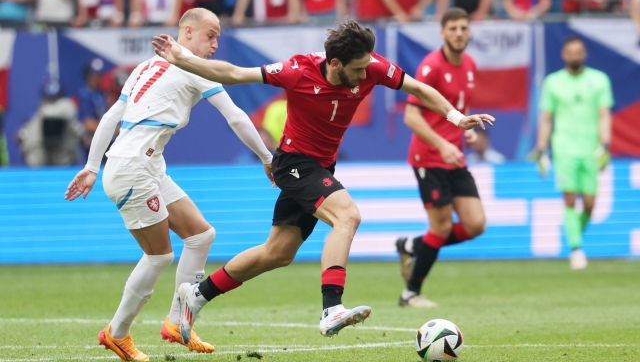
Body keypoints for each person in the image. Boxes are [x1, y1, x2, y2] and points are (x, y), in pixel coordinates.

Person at [152, 18, 494, 341]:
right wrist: (181, 57)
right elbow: (233, 72)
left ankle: (195, 295)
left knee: (277, 253)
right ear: (334, 63)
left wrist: (455, 116)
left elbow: (418, 88)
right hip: (293, 162)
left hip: (321, 167)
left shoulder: (371, 66)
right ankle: (331, 308)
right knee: (348, 215)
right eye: (357, 69)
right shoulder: (296, 71)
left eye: (367, 66)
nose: (365, 76)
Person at [64, 8, 273, 362]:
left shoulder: (144, 66)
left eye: (218, 36)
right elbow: (236, 116)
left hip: (146, 164)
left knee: (201, 235)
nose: (215, 44)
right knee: (159, 255)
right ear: (187, 32)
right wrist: (268, 158)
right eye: (210, 35)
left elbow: (112, 116)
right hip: (133, 167)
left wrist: (92, 166)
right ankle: (117, 333)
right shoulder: (191, 64)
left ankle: (177, 322)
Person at [394, 8, 486, 309]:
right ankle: (410, 294)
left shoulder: (470, 65)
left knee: (475, 224)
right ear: (443, 33)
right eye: (453, 29)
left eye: (464, 28)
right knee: (441, 227)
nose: (459, 33)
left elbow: (457, 109)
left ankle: (409, 246)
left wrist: (465, 133)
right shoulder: (431, 66)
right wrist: (441, 144)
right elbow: (411, 115)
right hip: (429, 157)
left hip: (454, 155)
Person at [531, 36, 613, 270]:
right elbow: (547, 118)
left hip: (591, 148)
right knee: (569, 199)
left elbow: (604, 114)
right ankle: (576, 248)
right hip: (564, 148)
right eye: (570, 52)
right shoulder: (553, 82)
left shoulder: (599, 80)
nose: (574, 56)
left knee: (589, 203)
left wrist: (606, 144)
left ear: (584, 54)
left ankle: (573, 230)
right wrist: (541, 147)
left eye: (578, 52)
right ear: (563, 55)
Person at [18, 79, 84, 166]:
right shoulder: (38, 114)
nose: (52, 103)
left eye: (55, 99)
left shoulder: (67, 107)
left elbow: (80, 132)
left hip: (63, 157)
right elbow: (22, 135)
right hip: (41, 158)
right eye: (49, 99)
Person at [78, 58, 108, 160]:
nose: (96, 78)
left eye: (99, 75)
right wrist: (111, 128)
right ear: (87, 76)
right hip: (90, 145)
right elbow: (88, 123)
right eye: (93, 75)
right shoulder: (84, 95)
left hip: (105, 142)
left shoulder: (101, 94)